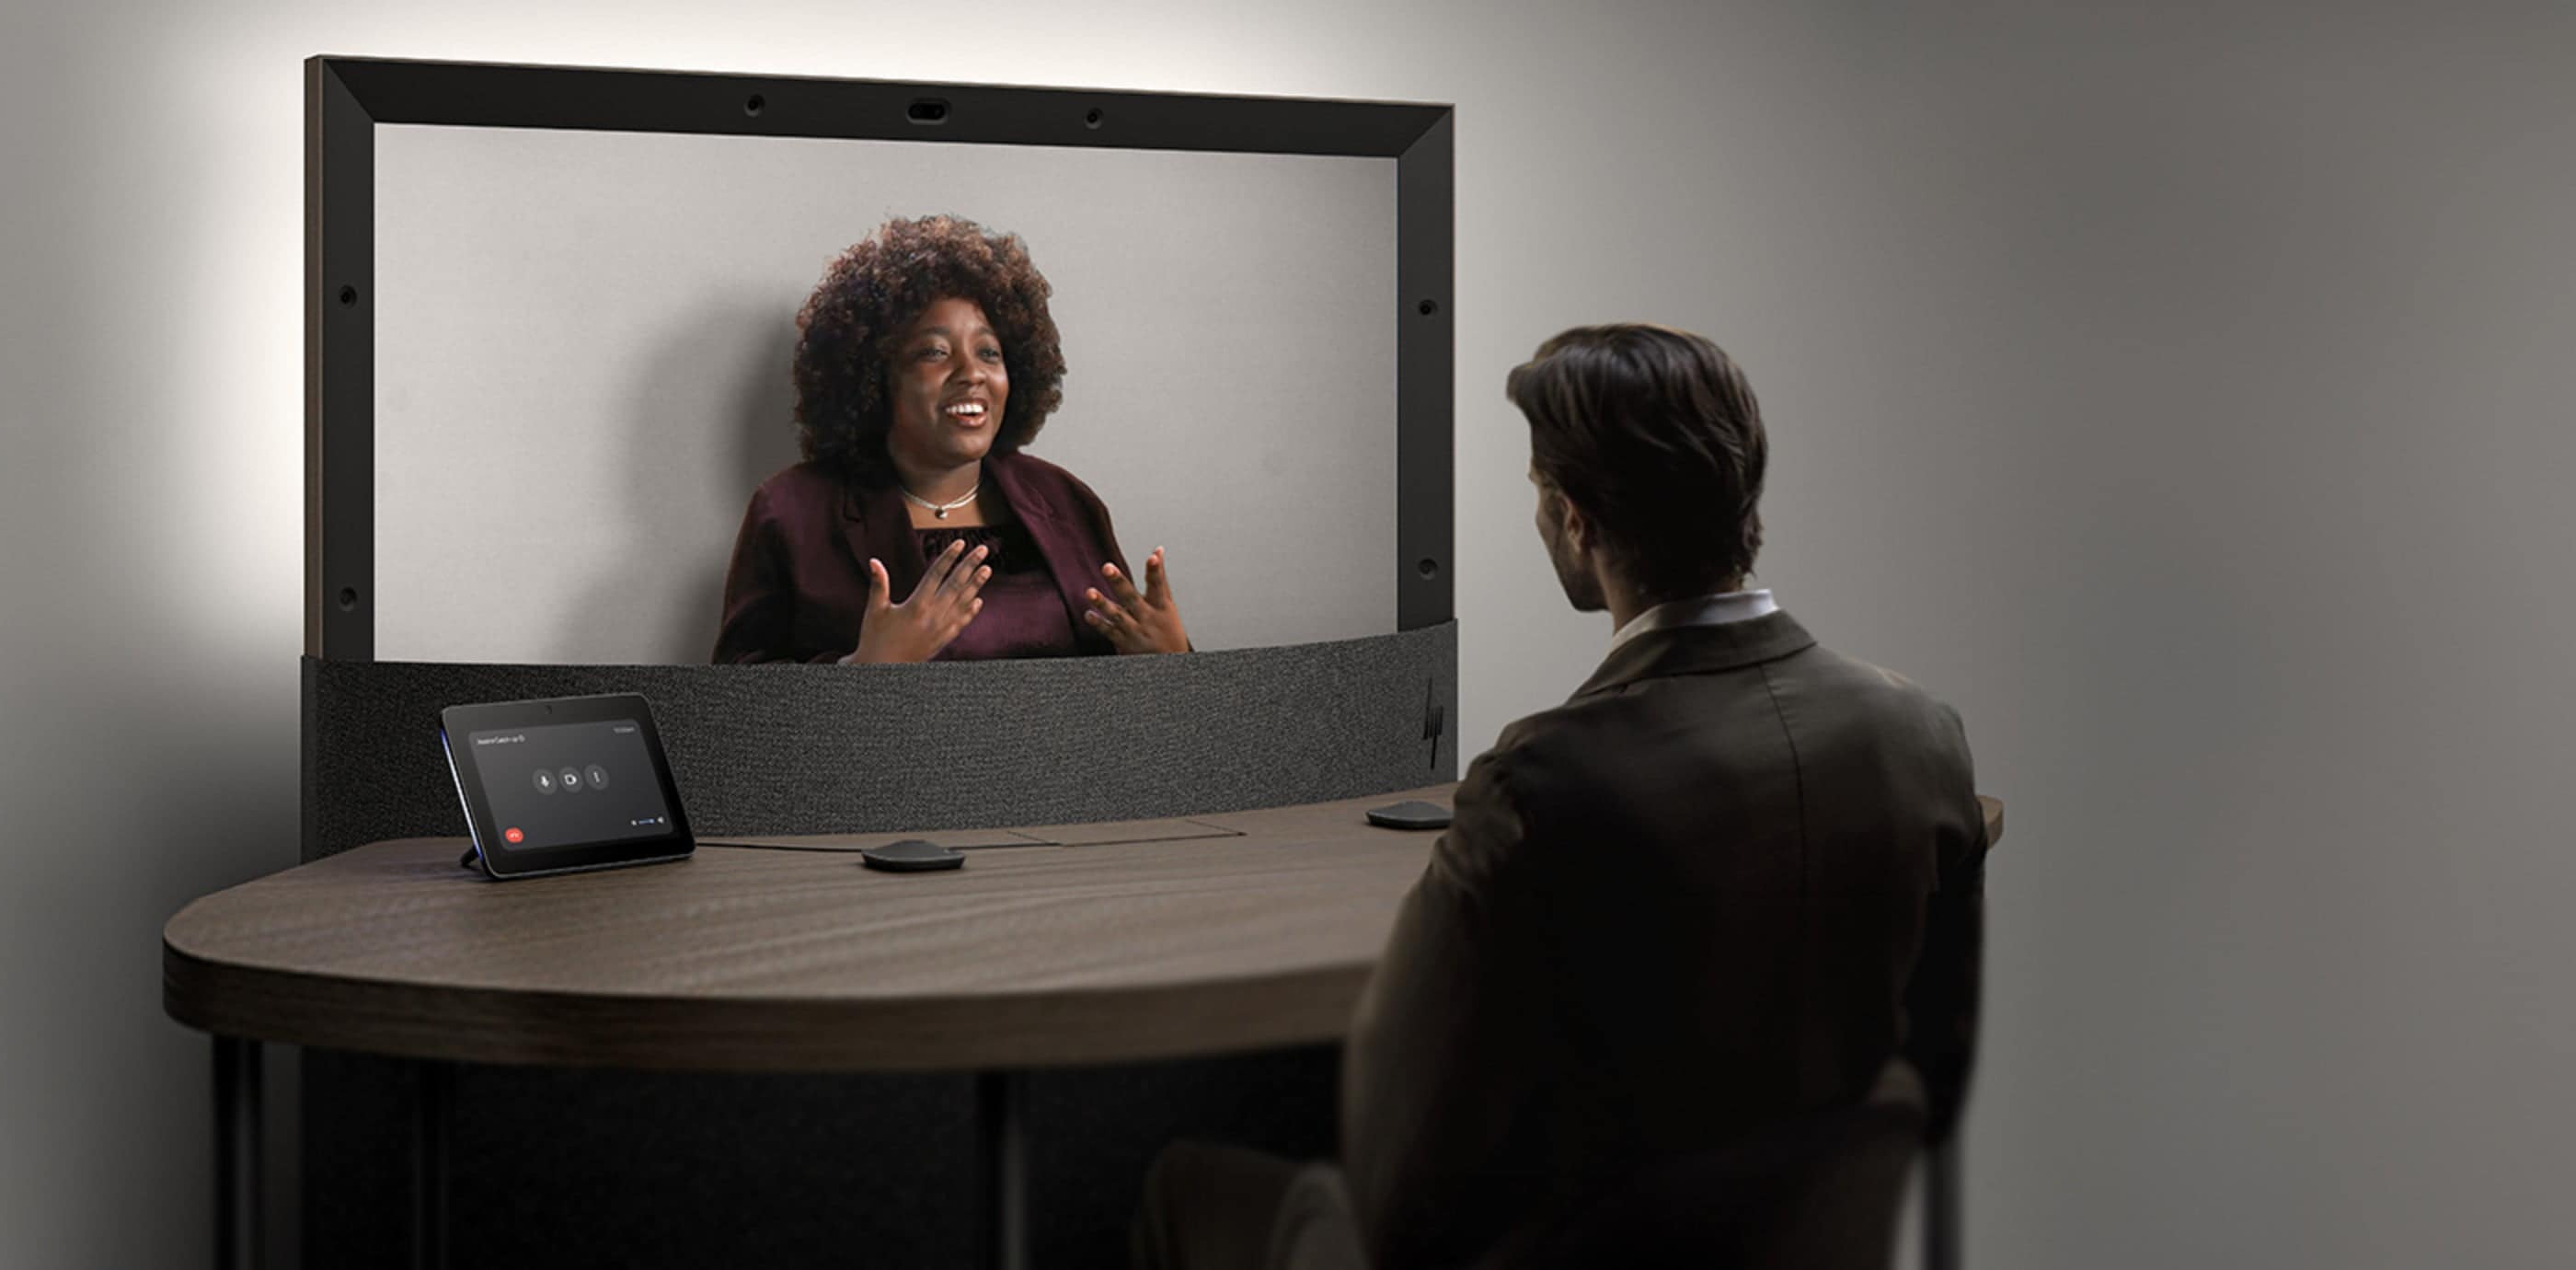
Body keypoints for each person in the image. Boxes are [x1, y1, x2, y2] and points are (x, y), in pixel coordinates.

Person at [1136, 325, 1985, 1269]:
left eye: (1539, 489)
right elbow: (1932, 1080)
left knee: (1186, 1183)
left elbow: (1397, 1196)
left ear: (1576, 519)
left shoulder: (1542, 787)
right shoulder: (1922, 734)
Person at [713, 214, 1191, 664]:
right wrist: (860, 674)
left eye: (989, 352)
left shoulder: (1066, 501)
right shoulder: (792, 511)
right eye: (934, 352)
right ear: (876, 377)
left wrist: (1174, 662)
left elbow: (1141, 705)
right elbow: (733, 714)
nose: (972, 374)